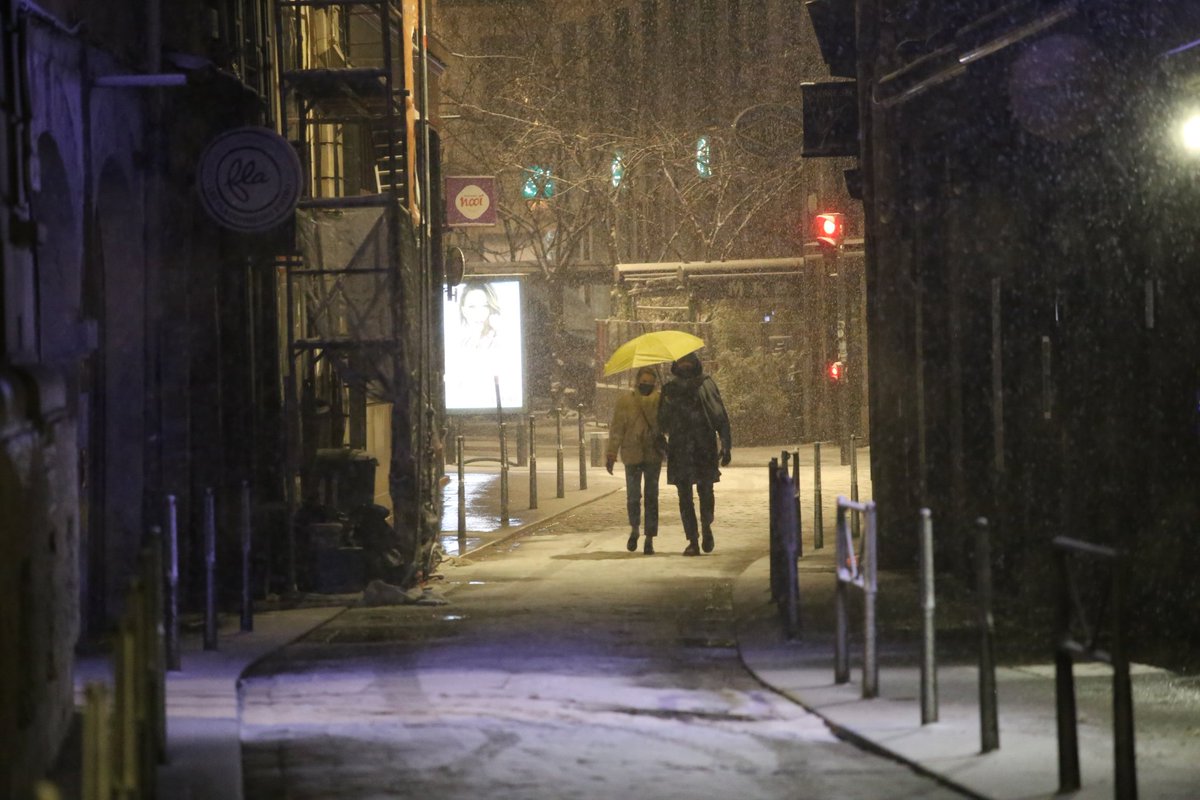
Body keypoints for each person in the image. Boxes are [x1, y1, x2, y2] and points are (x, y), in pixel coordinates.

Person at [657, 352, 732, 556]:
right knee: (684, 497)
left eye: (688, 361)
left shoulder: (705, 385)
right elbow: (661, 422)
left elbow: (719, 416)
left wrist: (726, 444)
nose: (685, 365)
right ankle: (692, 539)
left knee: (705, 492)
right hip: (680, 449)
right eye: (682, 362)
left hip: (703, 448)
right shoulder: (670, 389)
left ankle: (706, 527)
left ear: (695, 363)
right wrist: (662, 441)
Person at [606, 366, 663, 555]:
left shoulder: (660, 400)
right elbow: (617, 429)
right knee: (633, 497)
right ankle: (635, 529)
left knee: (651, 497)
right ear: (637, 381)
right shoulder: (625, 402)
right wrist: (611, 453)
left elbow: (667, 423)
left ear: (654, 383)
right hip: (632, 454)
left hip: (653, 454)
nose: (645, 385)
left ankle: (650, 538)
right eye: (643, 381)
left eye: (649, 382)